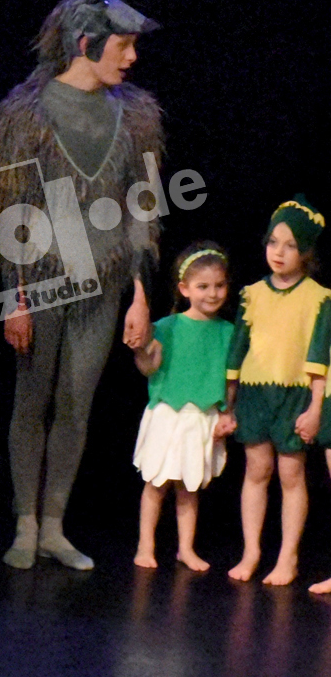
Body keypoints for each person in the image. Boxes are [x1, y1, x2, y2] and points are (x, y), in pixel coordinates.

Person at [0, 0, 164, 571]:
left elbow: (143, 209)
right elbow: (12, 209)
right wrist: (15, 297)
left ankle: (54, 526)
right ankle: (24, 523)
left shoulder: (135, 115)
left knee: (76, 403)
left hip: (106, 282)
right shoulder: (28, 112)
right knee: (31, 400)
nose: (132, 57)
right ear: (87, 43)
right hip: (42, 279)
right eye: (124, 45)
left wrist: (139, 293)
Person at [225, 198, 331, 586]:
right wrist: (227, 404)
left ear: (306, 252)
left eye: (290, 245)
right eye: (273, 242)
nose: (279, 252)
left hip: (294, 395)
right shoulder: (251, 293)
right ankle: (251, 551)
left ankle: (288, 557)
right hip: (255, 395)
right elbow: (237, 350)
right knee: (256, 471)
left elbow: (319, 358)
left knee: (290, 474)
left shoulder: (319, 297)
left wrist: (315, 408)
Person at [133, 244, 235, 571]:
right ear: (185, 288)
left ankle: (186, 549)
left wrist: (227, 412)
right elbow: (148, 367)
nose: (212, 293)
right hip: (168, 413)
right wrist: (142, 350)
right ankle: (145, 545)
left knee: (189, 487)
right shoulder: (166, 327)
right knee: (156, 482)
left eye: (219, 285)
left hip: (202, 416)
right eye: (203, 286)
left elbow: (230, 379)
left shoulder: (228, 332)